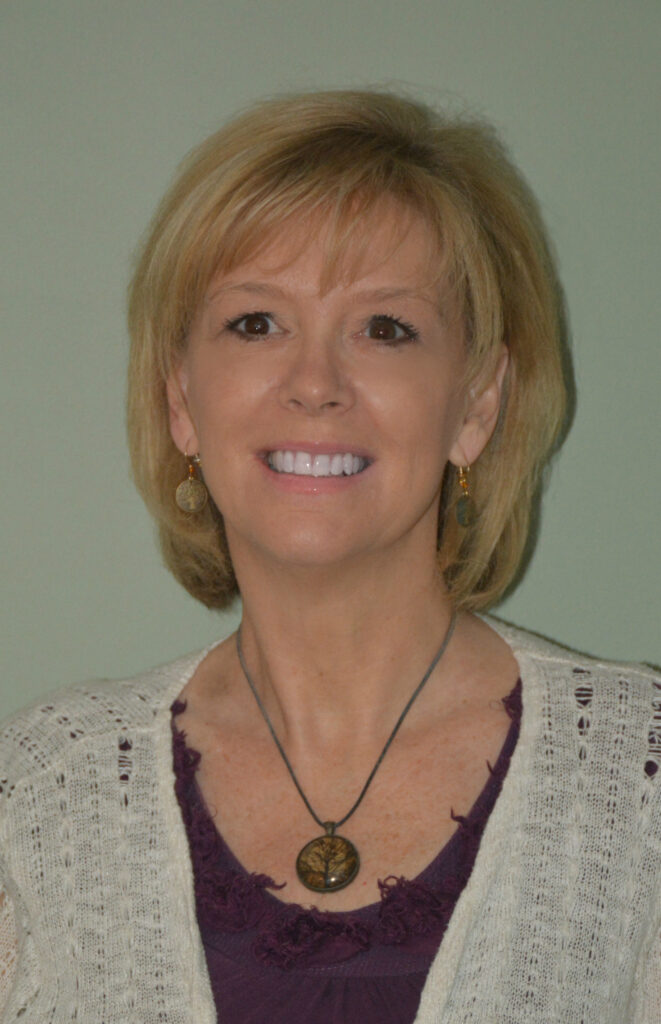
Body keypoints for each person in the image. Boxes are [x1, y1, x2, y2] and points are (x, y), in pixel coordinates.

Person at [0, 90, 658, 1024]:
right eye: (255, 323)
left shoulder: (638, 787)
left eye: (384, 329)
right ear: (181, 400)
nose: (314, 384)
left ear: (475, 406)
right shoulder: (42, 797)